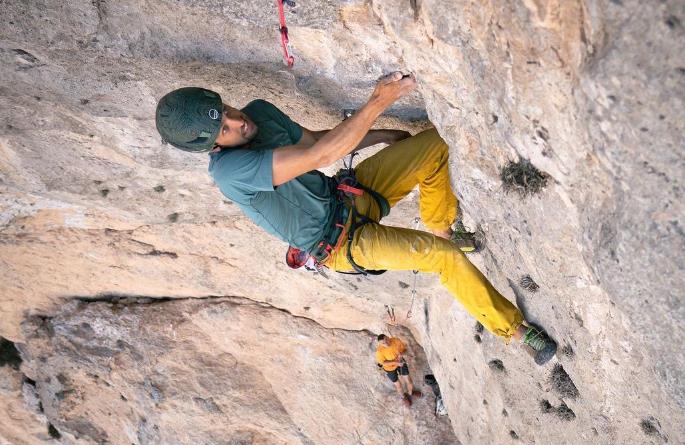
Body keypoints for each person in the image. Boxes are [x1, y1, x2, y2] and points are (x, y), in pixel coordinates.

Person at [155, 74, 557, 365]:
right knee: (442, 259)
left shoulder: (259, 113)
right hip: (342, 244)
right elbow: (320, 157)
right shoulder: (230, 172)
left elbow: (316, 140)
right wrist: (378, 101)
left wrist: (381, 135)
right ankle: (517, 331)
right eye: (225, 129)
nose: (238, 121)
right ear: (213, 147)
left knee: (434, 147)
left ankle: (442, 226)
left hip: (347, 196)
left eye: (227, 111)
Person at [376, 334, 422, 407]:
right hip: (389, 368)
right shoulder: (380, 351)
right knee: (398, 385)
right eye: (383, 343)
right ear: (380, 344)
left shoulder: (395, 340)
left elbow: (404, 350)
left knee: (409, 381)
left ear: (388, 338)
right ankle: (403, 397)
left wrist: (402, 354)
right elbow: (383, 362)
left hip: (400, 361)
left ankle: (410, 393)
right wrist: (396, 362)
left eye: (386, 340)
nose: (386, 343)